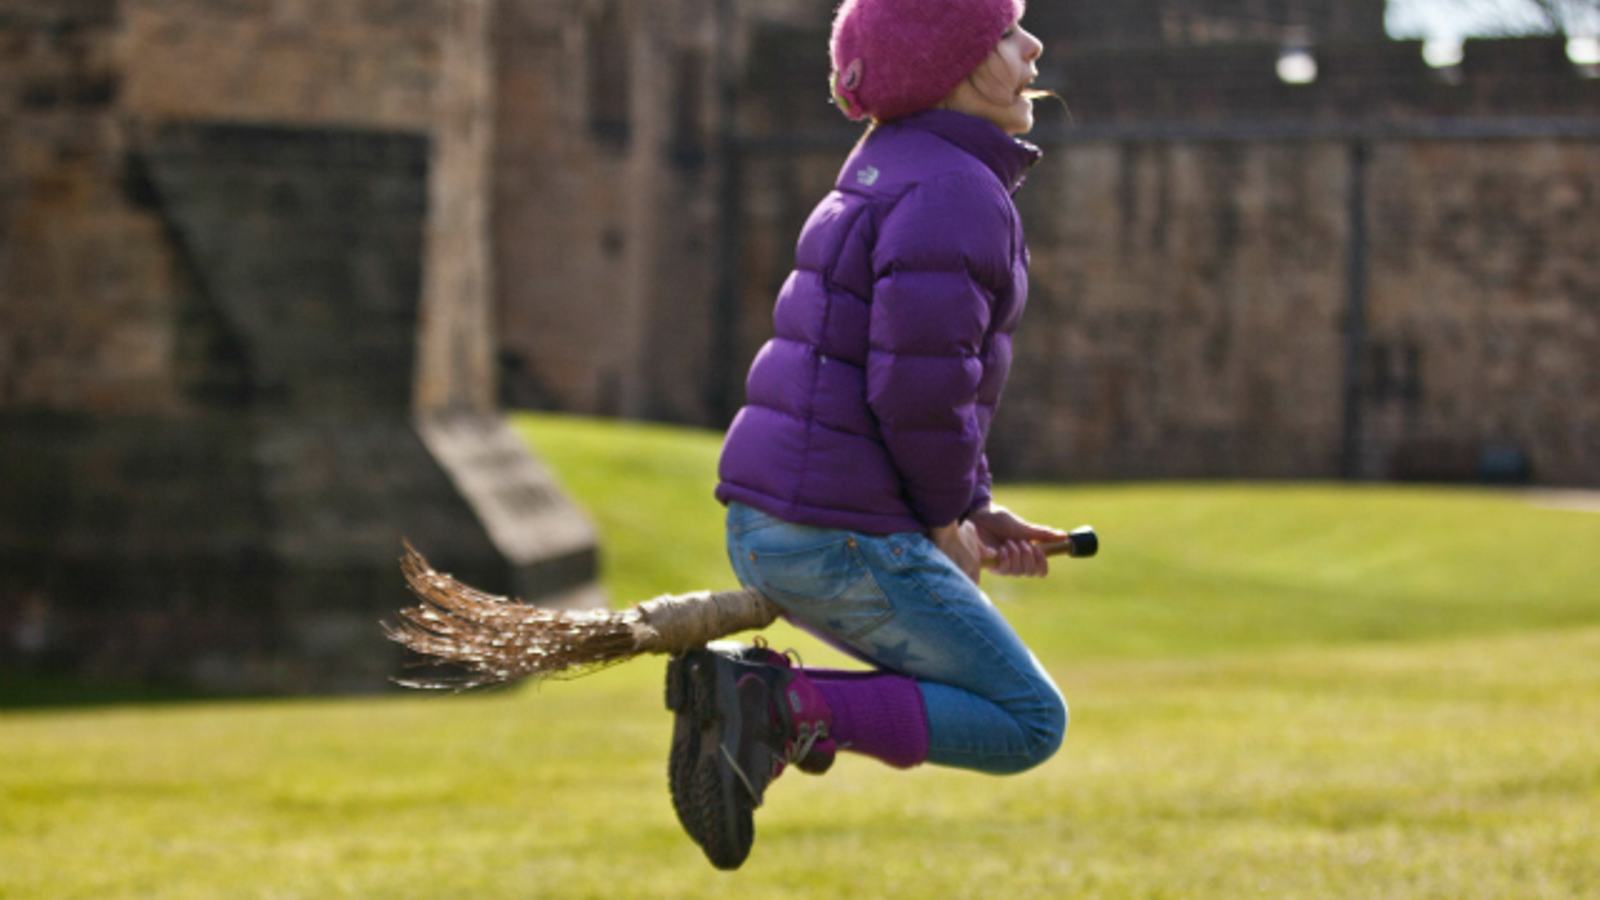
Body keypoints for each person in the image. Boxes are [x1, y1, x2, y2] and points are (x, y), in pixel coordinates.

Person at [665, 0, 1069, 870]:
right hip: (838, 536)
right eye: (1005, 34)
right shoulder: (960, 191)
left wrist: (975, 507)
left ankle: (762, 703)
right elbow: (917, 390)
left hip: (770, 527)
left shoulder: (888, 165)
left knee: (991, 695)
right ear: (952, 69)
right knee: (1029, 721)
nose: (1031, 48)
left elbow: (913, 375)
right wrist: (941, 525)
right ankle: (773, 707)